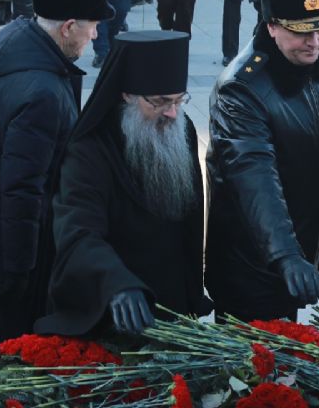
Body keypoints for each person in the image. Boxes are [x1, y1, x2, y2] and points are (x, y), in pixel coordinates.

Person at [0, 0, 113, 342]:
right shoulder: (42, 92)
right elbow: (23, 191)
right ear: (68, 26)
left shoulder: (18, 43)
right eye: (91, 26)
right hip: (11, 259)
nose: (94, 35)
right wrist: (20, 275)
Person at [44, 30, 208, 336]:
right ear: (127, 95)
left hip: (172, 298)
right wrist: (117, 284)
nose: (172, 113)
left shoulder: (180, 127)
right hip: (116, 304)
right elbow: (78, 231)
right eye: (159, 102)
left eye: (178, 100)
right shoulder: (89, 149)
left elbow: (190, 219)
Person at [205, 0, 319, 321]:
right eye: (301, 32)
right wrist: (285, 255)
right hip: (252, 264)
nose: (314, 42)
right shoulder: (241, 88)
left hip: (300, 254)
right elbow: (254, 177)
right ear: (271, 27)